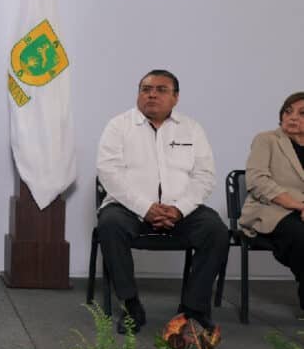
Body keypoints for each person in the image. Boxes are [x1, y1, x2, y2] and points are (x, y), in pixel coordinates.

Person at [96, 69, 227, 334]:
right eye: (146, 89)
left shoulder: (192, 129)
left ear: (176, 98)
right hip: (128, 208)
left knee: (216, 230)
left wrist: (179, 209)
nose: (152, 94)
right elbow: (109, 172)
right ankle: (131, 305)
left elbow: (204, 175)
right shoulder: (118, 126)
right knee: (109, 224)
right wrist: (145, 208)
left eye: (161, 90)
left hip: (180, 209)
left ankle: (193, 310)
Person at [239, 92, 304, 312]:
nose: (293, 117)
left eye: (302, 113)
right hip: (270, 209)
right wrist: (298, 205)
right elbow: (257, 181)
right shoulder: (266, 139)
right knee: (299, 235)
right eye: (288, 111)